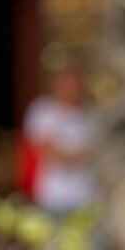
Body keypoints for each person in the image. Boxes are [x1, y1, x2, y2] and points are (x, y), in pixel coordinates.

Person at [21, 60, 98, 222]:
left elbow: (96, 151)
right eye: (67, 83)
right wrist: (75, 155)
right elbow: (41, 148)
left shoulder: (92, 117)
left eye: (76, 83)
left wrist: (63, 151)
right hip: (51, 198)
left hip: (85, 200)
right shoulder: (42, 111)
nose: (71, 88)